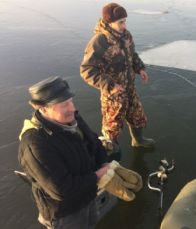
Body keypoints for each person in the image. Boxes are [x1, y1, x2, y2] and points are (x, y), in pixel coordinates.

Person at [18, 76, 142, 229]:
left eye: (71, 101)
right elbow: (62, 190)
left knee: (91, 223)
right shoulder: (35, 144)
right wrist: (99, 175)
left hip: (88, 195)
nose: (72, 108)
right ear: (43, 109)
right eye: (64, 104)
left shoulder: (71, 117)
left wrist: (105, 164)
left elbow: (93, 141)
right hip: (66, 213)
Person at [80, 2, 155, 152]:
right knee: (112, 125)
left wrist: (139, 68)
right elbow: (87, 70)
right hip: (113, 94)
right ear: (109, 22)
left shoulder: (126, 35)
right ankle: (112, 151)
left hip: (129, 88)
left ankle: (138, 140)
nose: (124, 25)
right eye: (121, 22)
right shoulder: (100, 41)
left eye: (125, 21)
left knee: (137, 116)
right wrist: (111, 86)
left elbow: (132, 55)